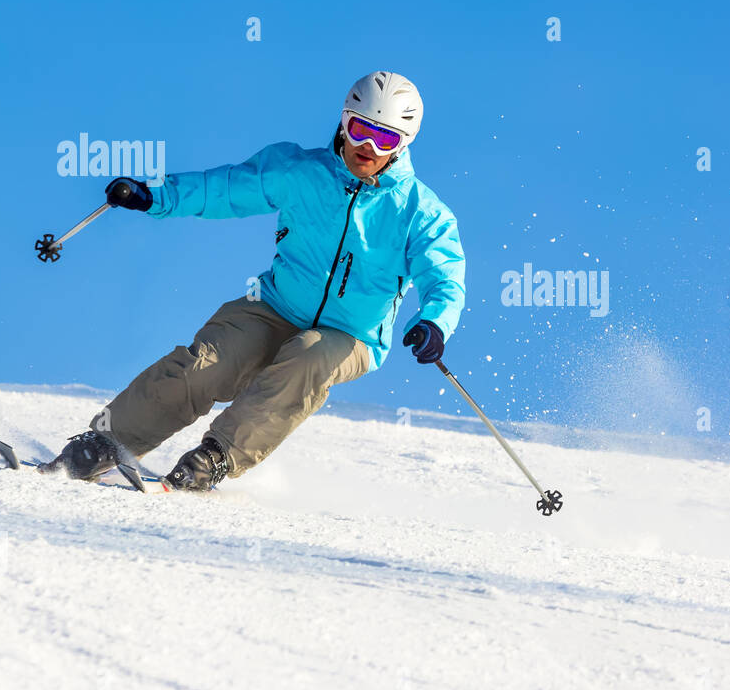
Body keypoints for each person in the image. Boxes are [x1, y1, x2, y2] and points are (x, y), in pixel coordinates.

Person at [45, 71, 466, 490]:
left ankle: (215, 458)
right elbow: (225, 188)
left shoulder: (420, 213)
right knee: (207, 362)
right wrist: (156, 195)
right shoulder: (300, 171)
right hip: (275, 305)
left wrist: (435, 321)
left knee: (308, 357)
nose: (367, 147)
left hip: (351, 335)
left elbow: (444, 277)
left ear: (403, 145)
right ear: (343, 121)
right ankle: (105, 444)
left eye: (385, 139)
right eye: (359, 129)